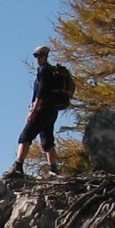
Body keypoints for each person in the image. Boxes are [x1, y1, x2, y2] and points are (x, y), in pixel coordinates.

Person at [8, 45, 73, 179]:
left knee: (24, 137)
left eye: (40, 56)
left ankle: (18, 166)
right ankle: (53, 169)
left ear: (46, 56)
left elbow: (41, 93)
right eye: (36, 56)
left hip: (43, 110)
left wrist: (33, 110)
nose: (38, 59)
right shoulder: (49, 71)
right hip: (52, 111)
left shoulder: (44, 71)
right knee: (47, 140)